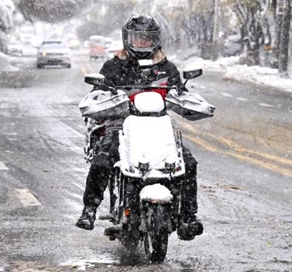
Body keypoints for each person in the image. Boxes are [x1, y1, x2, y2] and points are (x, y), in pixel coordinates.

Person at [75, 14, 204, 240]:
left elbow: (179, 92)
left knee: (188, 163)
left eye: (147, 39)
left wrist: (186, 100)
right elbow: (97, 93)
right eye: (138, 38)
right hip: (122, 126)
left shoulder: (167, 68)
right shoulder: (114, 66)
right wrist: (103, 99)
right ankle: (89, 210)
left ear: (155, 40)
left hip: (159, 127)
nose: (142, 43)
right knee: (103, 159)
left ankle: (188, 216)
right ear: (127, 39)